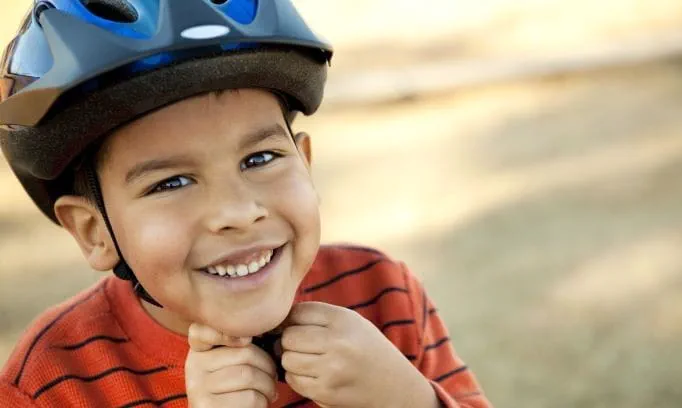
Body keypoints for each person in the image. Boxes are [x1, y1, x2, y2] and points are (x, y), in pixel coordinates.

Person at [0, 0, 491, 406]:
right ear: (94, 231)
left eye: (259, 158)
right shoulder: (53, 380)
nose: (238, 211)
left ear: (305, 164)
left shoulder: (382, 294)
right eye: (171, 183)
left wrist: (407, 400)